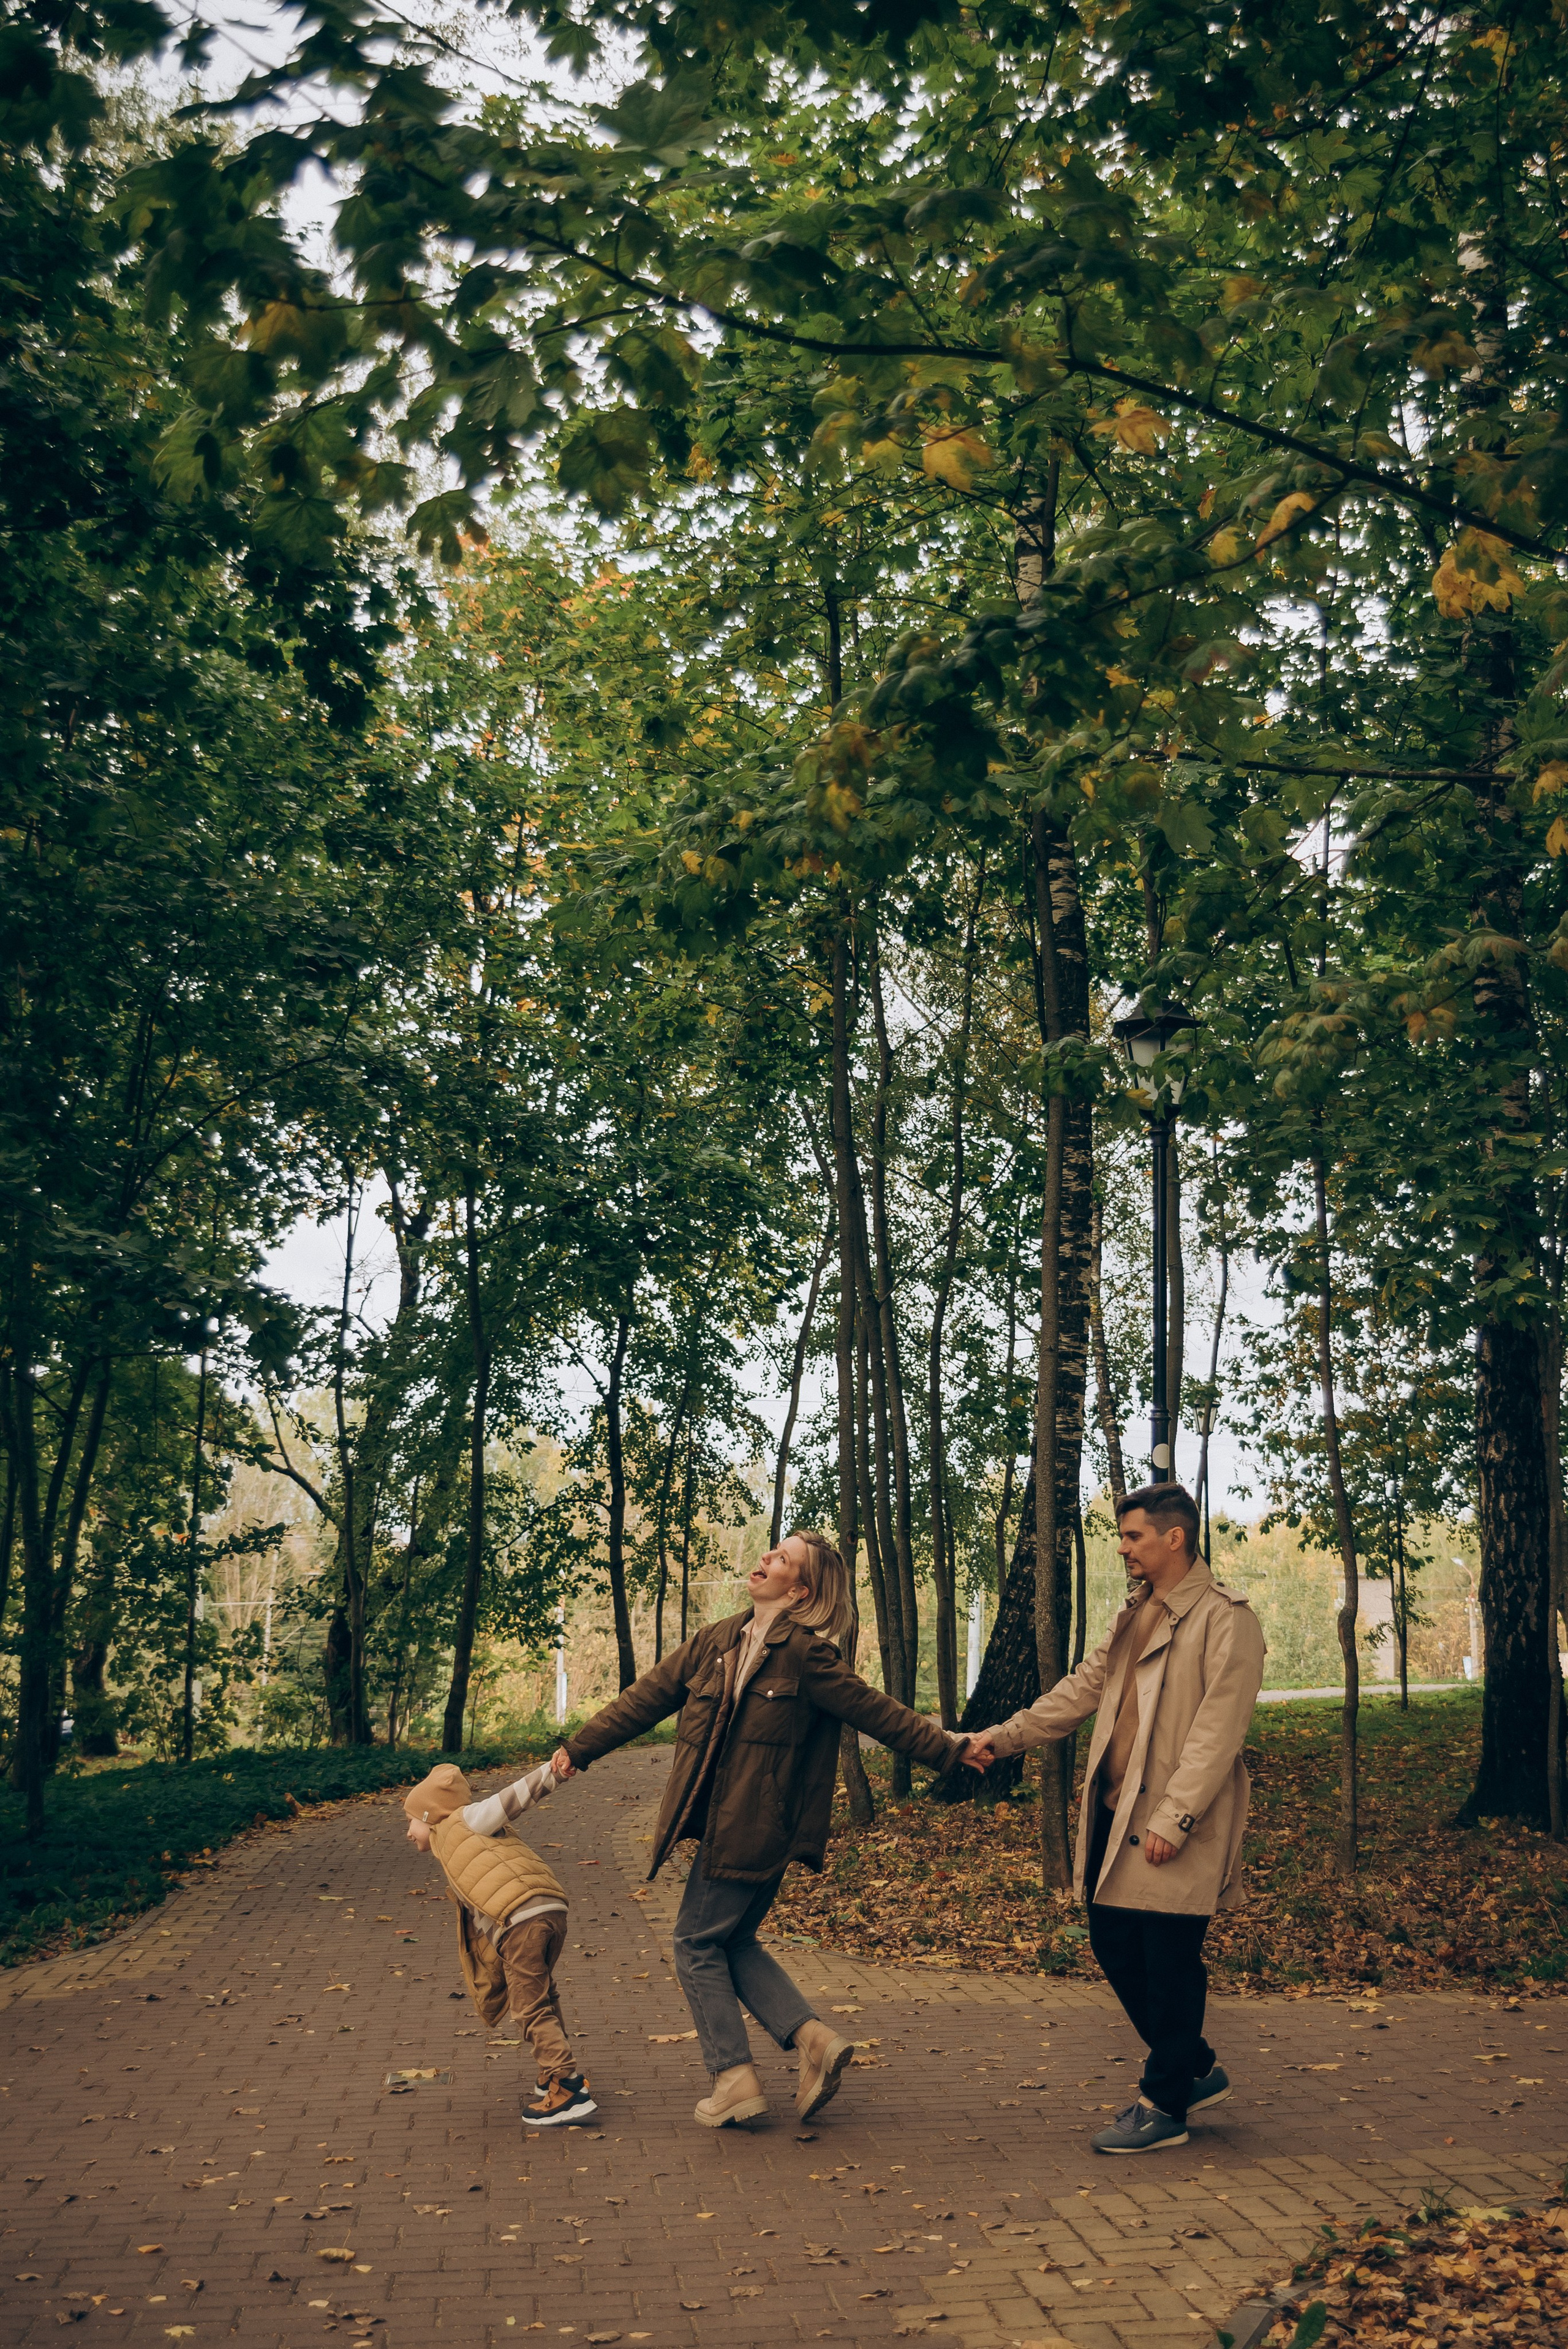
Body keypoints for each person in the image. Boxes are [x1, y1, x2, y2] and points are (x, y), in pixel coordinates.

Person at [553, 1531, 968, 2128]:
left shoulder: (807, 1655)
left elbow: (875, 1709)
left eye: (782, 1559)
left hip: (757, 1827)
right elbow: (646, 1697)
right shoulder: (718, 1641)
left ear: (800, 1589)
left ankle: (733, 2077)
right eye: (771, 1551)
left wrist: (950, 1749)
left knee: (695, 1944)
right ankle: (814, 2042)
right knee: (732, 1941)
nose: (766, 1559)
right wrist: (580, 1748)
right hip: (726, 1823)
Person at [964, 1483, 1265, 2154]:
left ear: (1173, 1537)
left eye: (1132, 1536)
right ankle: (1193, 2064)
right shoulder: (1136, 1613)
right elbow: (1080, 1690)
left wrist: (1175, 1817)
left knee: (1170, 1959)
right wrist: (1002, 1736)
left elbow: (1218, 1731)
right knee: (1111, 1943)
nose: (1123, 1547)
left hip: (1173, 1820)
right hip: (1111, 1811)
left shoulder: (1226, 1619)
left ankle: (1164, 2103)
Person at [403, 1757, 598, 2128]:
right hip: (548, 1912)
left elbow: (514, 1798)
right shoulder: (461, 1844)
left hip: (523, 1918)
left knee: (528, 2007)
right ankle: (555, 2074)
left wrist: (554, 1772)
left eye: (411, 1821)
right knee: (542, 1995)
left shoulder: (465, 1821)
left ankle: (569, 2089)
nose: (408, 1832)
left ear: (430, 1815)